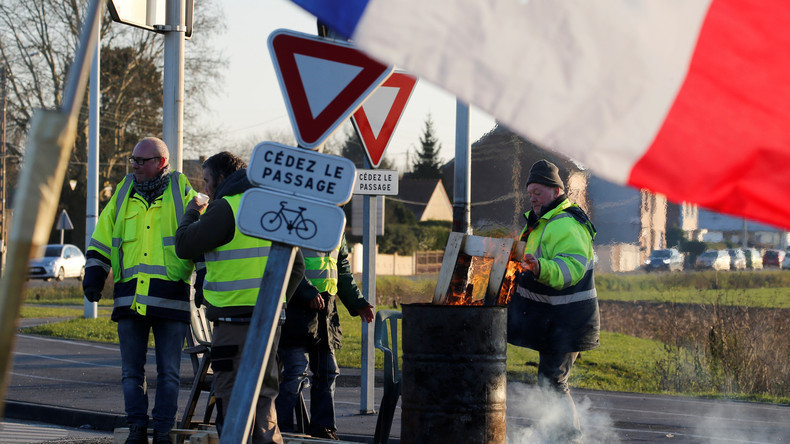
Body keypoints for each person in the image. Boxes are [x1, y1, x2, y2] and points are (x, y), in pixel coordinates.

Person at [174, 151, 305, 444]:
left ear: (222, 178)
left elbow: (183, 245)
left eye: (207, 181)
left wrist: (193, 211)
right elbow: (297, 267)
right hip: (270, 323)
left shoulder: (226, 207)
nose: (206, 188)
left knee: (231, 399)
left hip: (234, 322)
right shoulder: (273, 206)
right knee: (264, 395)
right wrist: (277, 303)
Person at [83, 137, 197, 444]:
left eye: (141, 160)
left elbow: (198, 235)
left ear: (161, 162)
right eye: (132, 159)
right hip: (129, 298)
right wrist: (94, 274)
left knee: (169, 373)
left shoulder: (181, 191)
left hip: (170, 298)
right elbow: (102, 236)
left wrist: (204, 282)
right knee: (131, 373)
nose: (134, 165)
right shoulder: (123, 192)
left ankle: (163, 431)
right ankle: (136, 427)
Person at [507, 159, 600, 443]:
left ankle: (567, 438)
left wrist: (539, 268)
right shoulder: (541, 222)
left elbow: (571, 268)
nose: (532, 197)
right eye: (530, 191)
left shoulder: (566, 223)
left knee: (553, 382)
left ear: (556, 191)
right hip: (553, 320)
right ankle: (555, 434)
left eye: (538, 191)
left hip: (568, 320)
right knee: (549, 381)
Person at [275, 238, 374, 440]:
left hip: (325, 306)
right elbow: (286, 258)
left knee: (327, 371)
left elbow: (341, 266)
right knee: (296, 371)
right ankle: (281, 430)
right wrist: (306, 290)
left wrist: (357, 301)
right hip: (296, 303)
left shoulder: (338, 221)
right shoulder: (300, 210)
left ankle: (323, 429)